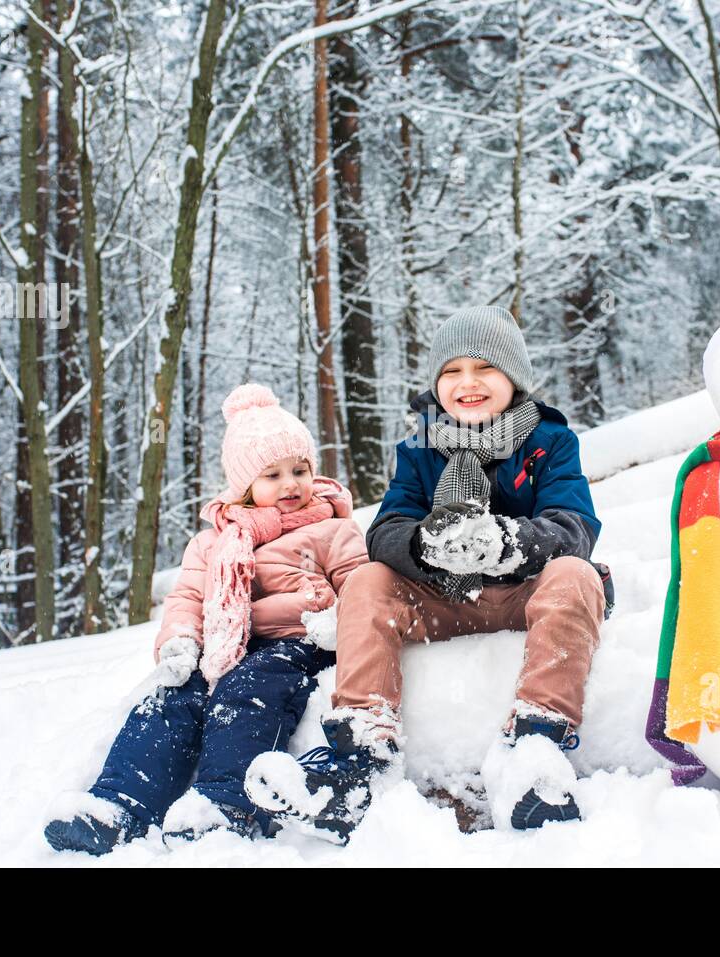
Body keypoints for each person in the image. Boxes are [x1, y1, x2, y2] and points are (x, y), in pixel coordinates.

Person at [245, 306, 612, 843]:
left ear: (513, 376)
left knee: (576, 575)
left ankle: (535, 748)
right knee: (367, 581)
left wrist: (506, 544)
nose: (467, 383)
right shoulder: (419, 448)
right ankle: (360, 756)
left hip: (521, 591)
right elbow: (386, 527)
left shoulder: (550, 442)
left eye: (484, 368)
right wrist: (424, 544)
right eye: (451, 371)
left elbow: (573, 523)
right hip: (442, 595)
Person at [43, 384, 367, 855]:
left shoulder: (331, 529)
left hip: (302, 641)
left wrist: (339, 618)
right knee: (172, 698)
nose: (291, 484)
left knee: (250, 687)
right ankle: (117, 806)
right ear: (244, 486)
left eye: (300, 470)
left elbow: (359, 582)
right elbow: (189, 600)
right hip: (225, 645)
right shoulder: (214, 543)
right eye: (272, 474)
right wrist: (179, 643)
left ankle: (225, 803)